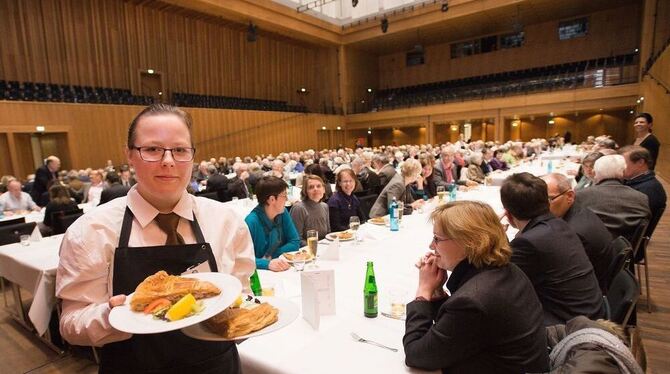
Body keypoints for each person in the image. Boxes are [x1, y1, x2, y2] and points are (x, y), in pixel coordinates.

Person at [56, 103, 255, 373]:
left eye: (180, 150)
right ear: (129, 155)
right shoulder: (91, 231)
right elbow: (71, 323)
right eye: (152, 149)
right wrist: (111, 316)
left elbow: (242, 293)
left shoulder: (226, 222)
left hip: (218, 366)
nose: (168, 161)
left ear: (192, 156)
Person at [404, 201, 549, 373]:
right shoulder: (505, 269)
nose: (431, 246)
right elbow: (459, 327)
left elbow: (416, 355)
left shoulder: (473, 301)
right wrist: (437, 292)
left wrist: (423, 292)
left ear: (469, 242)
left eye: (437, 239)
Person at [501, 172, 604, 325]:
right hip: (590, 311)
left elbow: (500, 283)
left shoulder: (528, 242)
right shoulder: (560, 224)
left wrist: (494, 238)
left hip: (569, 325)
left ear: (508, 215)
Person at [542, 173, 613, 292]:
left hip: (588, 291)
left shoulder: (572, 233)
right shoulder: (578, 211)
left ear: (569, 196)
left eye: (548, 200)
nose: (542, 207)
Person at [575, 155, 651, 242]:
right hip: (625, 249)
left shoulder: (582, 195)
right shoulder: (642, 198)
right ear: (623, 172)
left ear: (595, 172)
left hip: (590, 250)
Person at [620, 145, 667, 260]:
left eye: (624, 163)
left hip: (629, 245)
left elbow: (628, 223)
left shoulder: (649, 190)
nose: (621, 167)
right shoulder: (636, 181)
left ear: (640, 162)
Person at [245, 176, 300, 272]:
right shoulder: (251, 222)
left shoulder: (283, 213)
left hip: (280, 268)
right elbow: (243, 258)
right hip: (260, 275)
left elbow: (295, 242)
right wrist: (267, 264)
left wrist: (271, 256)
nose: (287, 199)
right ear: (271, 199)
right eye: (284, 195)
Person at [289, 175, 330, 246]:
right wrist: (315, 246)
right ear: (305, 191)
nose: (315, 189)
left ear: (323, 189)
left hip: (323, 248)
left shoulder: (325, 206)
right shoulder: (299, 208)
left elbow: (328, 233)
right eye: (311, 187)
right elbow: (296, 239)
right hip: (305, 251)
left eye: (318, 186)